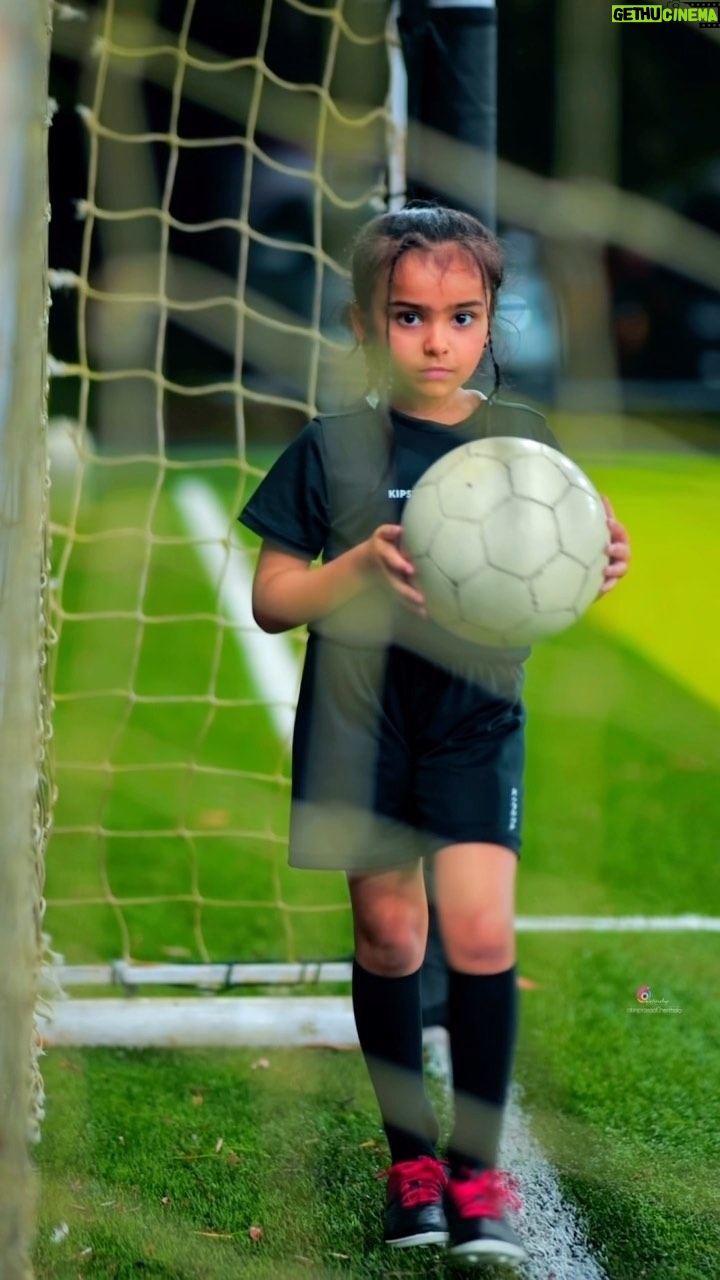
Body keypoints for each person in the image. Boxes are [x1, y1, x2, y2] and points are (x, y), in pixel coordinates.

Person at [238, 202, 631, 1266]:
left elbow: (558, 556)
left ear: (491, 322)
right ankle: (412, 1161)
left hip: (473, 715)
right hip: (359, 720)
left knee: (481, 933)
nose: (437, 338)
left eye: (462, 316)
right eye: (409, 315)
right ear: (367, 324)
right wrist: (358, 565)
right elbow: (275, 599)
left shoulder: (525, 443)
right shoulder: (330, 449)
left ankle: (479, 1169)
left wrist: (588, 559)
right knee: (390, 939)